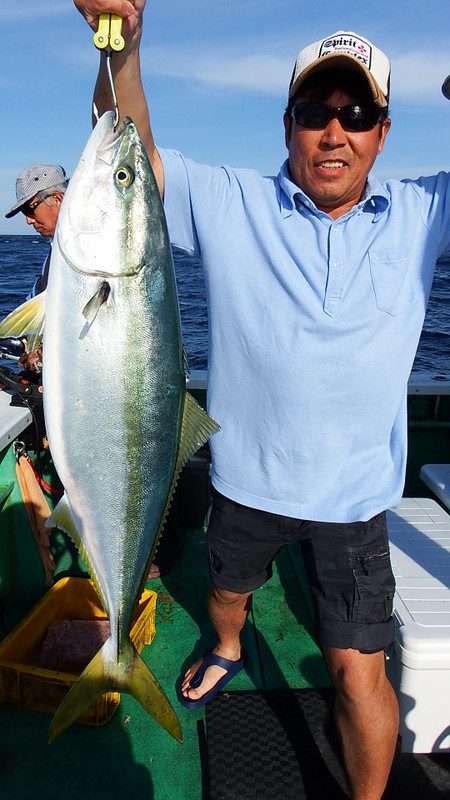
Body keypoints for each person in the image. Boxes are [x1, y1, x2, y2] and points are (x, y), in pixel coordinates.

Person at [74, 4, 450, 799]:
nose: (335, 131)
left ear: (384, 132)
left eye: (358, 114)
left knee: (358, 677)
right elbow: (126, 155)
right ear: (289, 126)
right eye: (317, 112)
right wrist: (123, 48)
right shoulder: (230, 200)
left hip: (355, 502)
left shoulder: (425, 214)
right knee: (227, 597)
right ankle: (229, 646)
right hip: (244, 479)